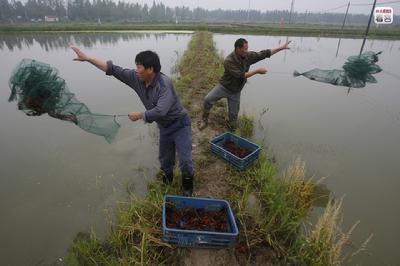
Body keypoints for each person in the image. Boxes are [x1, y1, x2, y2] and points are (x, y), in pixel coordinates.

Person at [71, 47, 194, 196]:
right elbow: (112, 69)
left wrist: (140, 115)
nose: (136, 70)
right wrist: (88, 59)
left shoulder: (164, 84)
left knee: (185, 161)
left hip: (180, 124)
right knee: (165, 160)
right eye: (136, 66)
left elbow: (161, 110)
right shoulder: (137, 78)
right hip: (164, 127)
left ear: (150, 69)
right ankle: (167, 186)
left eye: (139, 67)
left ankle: (188, 190)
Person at [199, 38, 291, 131]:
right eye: (245, 49)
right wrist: (257, 71)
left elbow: (264, 54)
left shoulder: (248, 55)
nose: (247, 51)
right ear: (238, 49)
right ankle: (204, 120)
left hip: (236, 91)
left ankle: (232, 131)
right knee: (208, 99)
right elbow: (240, 76)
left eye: (247, 48)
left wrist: (281, 48)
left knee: (233, 115)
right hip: (224, 87)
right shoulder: (229, 60)